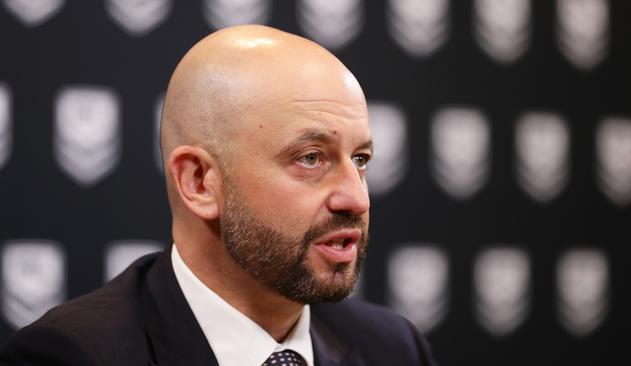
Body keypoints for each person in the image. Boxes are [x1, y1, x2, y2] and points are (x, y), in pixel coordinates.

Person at [0, 25, 435, 365]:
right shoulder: (73, 356)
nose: (356, 200)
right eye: (310, 158)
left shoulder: (394, 349)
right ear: (199, 183)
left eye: (359, 159)